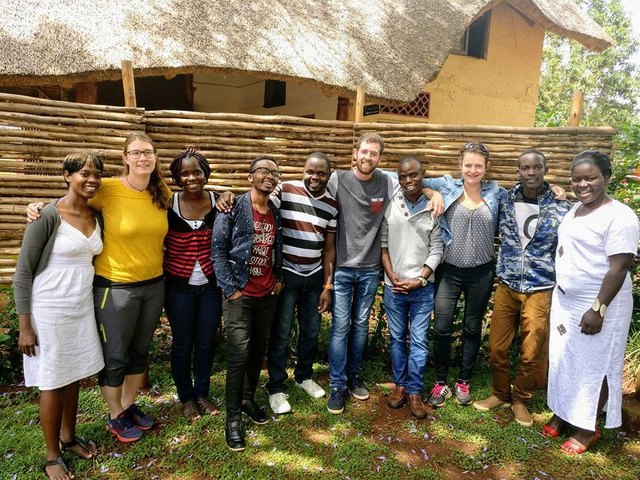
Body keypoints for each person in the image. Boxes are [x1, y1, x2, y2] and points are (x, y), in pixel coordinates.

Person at [27, 133, 171, 443]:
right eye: (135, 153)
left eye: (148, 152)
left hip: (154, 284)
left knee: (139, 351)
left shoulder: (162, 193)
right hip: (115, 286)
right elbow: (70, 201)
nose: (143, 158)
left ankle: (130, 406)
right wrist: (37, 206)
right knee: (116, 353)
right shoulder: (108, 189)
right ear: (125, 158)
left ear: (155, 157)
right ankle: (115, 413)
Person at [15, 153, 105, 480]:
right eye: (84, 173)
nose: (91, 179)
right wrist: (25, 326)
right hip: (48, 308)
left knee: (74, 372)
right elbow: (22, 274)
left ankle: (68, 439)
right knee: (53, 381)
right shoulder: (48, 216)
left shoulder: (97, 216)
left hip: (80, 305)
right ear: (67, 175)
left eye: (97, 174)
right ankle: (52, 456)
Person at [543, 151, 639, 454]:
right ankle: (562, 413)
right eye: (577, 179)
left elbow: (619, 266)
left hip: (599, 304)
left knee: (595, 364)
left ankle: (587, 428)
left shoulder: (620, 215)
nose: (583, 184)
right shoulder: (575, 210)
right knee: (565, 358)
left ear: (606, 178)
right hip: (567, 302)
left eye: (590, 178)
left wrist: (598, 308)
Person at [472, 149, 571, 427]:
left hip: (540, 287)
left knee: (531, 349)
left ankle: (521, 400)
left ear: (545, 169)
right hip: (508, 283)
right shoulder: (504, 198)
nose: (530, 173)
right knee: (496, 346)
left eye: (536, 167)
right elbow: (470, 187)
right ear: (518, 171)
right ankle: (500, 394)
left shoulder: (562, 206)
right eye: (525, 168)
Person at [424, 142, 506, 407]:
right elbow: (406, 178)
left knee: (472, 327)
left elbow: (530, 194)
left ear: (486, 168)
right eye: (468, 165)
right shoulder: (447, 186)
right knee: (442, 327)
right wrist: (430, 192)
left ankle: (464, 381)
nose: (473, 170)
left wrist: (557, 190)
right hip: (449, 271)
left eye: (478, 166)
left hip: (481, 272)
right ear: (460, 166)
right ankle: (440, 382)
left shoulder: (497, 193)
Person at [212, 156, 284, 451]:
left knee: (257, 352)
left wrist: (277, 278)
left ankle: (247, 400)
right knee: (239, 355)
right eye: (264, 171)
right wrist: (231, 290)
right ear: (250, 176)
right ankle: (232, 420)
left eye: (274, 172)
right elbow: (217, 251)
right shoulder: (232, 207)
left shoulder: (275, 210)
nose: (270, 176)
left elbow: (276, 247)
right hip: (240, 295)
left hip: (266, 295)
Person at [325, 132, 396, 415]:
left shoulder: (386, 182)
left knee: (360, 326)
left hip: (369, 269)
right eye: (364, 151)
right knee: (341, 327)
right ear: (355, 153)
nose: (368, 157)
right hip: (342, 267)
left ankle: (354, 376)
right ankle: (336, 385)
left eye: (374, 153)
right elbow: (311, 191)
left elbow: (418, 182)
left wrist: (433, 192)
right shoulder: (337, 179)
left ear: (380, 158)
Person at [264, 152, 338, 414]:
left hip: (314, 278)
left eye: (321, 173)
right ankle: (275, 387)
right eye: (310, 171)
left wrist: (327, 286)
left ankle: (304, 376)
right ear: (302, 170)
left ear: (329, 176)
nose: (314, 177)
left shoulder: (331, 204)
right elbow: (259, 202)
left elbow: (329, 249)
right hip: (287, 276)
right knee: (282, 332)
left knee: (311, 331)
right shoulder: (285, 190)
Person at [381, 156, 443, 419]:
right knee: (396, 339)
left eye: (413, 175)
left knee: (418, 341)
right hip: (393, 286)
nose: (408, 181)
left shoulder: (433, 208)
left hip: (421, 288)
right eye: (403, 176)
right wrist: (391, 274)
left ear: (423, 175)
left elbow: (437, 248)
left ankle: (416, 391)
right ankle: (401, 386)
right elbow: (383, 244)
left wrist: (421, 277)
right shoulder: (390, 205)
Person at [164, 148, 222, 419]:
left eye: (196, 171)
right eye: (184, 173)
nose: (191, 177)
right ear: (177, 177)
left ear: (206, 174)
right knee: (183, 344)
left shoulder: (220, 201)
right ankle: (186, 397)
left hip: (210, 287)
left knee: (207, 342)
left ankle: (202, 392)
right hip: (178, 288)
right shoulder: (167, 204)